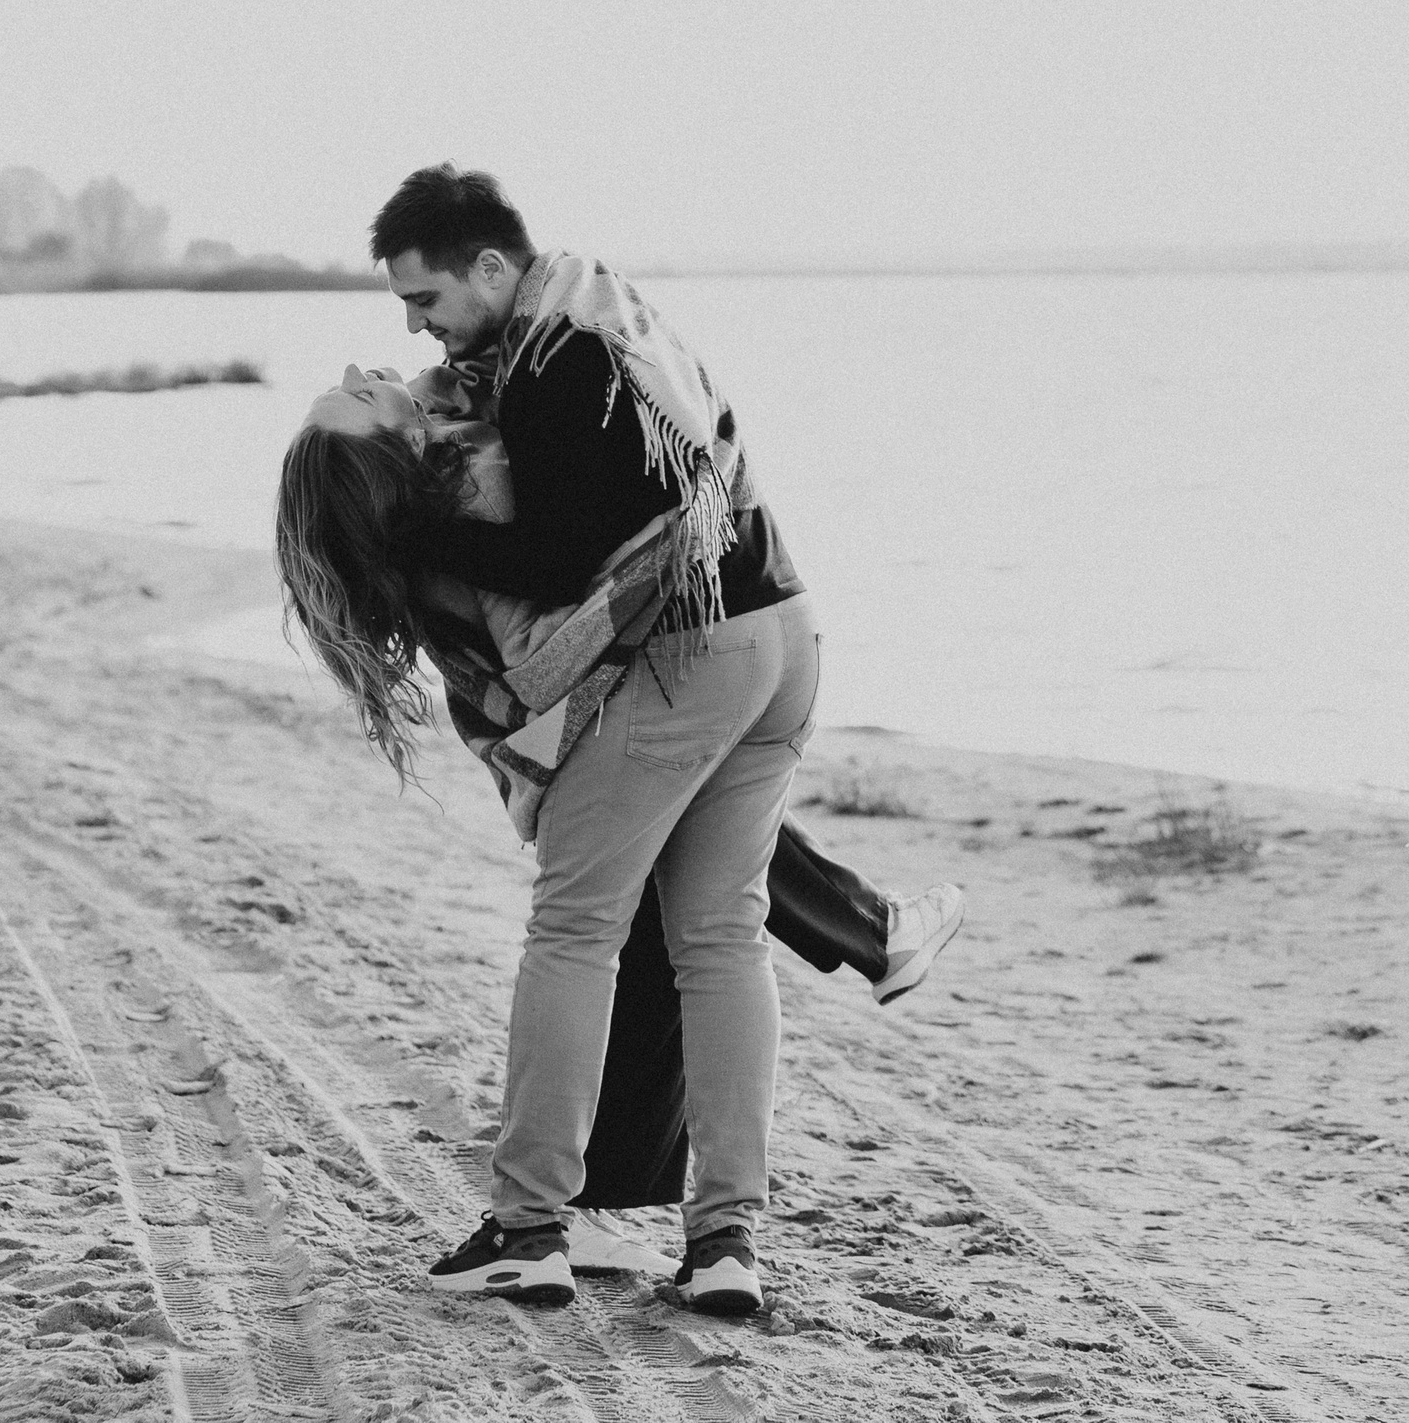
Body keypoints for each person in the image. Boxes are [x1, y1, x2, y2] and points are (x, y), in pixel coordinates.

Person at [276, 164, 961, 1318]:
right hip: (784, 626)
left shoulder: (502, 424)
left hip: (699, 648)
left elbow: (552, 574)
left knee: (576, 932)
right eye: (350, 397)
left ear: (489, 267)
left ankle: (530, 1227)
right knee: (721, 937)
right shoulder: (567, 341)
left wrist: (399, 534)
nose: (380, 356)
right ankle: (727, 1242)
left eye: (422, 301)